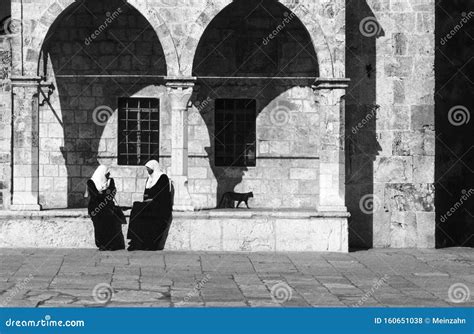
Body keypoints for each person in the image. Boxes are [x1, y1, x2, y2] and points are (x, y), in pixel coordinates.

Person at [127, 160, 173, 251]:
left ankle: (147, 244)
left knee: (140, 209)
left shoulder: (162, 178)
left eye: (149, 168)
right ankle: (134, 240)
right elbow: (146, 194)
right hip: (149, 205)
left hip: (159, 206)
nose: (148, 170)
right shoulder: (149, 179)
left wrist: (152, 199)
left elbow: (163, 195)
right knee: (136, 207)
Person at [86, 165, 125, 251]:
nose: (108, 175)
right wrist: (105, 192)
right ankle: (102, 244)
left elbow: (112, 192)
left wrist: (102, 192)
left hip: (108, 207)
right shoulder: (91, 182)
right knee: (99, 226)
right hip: (96, 208)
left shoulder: (110, 181)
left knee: (110, 225)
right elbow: (95, 195)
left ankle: (111, 245)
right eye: (106, 174)